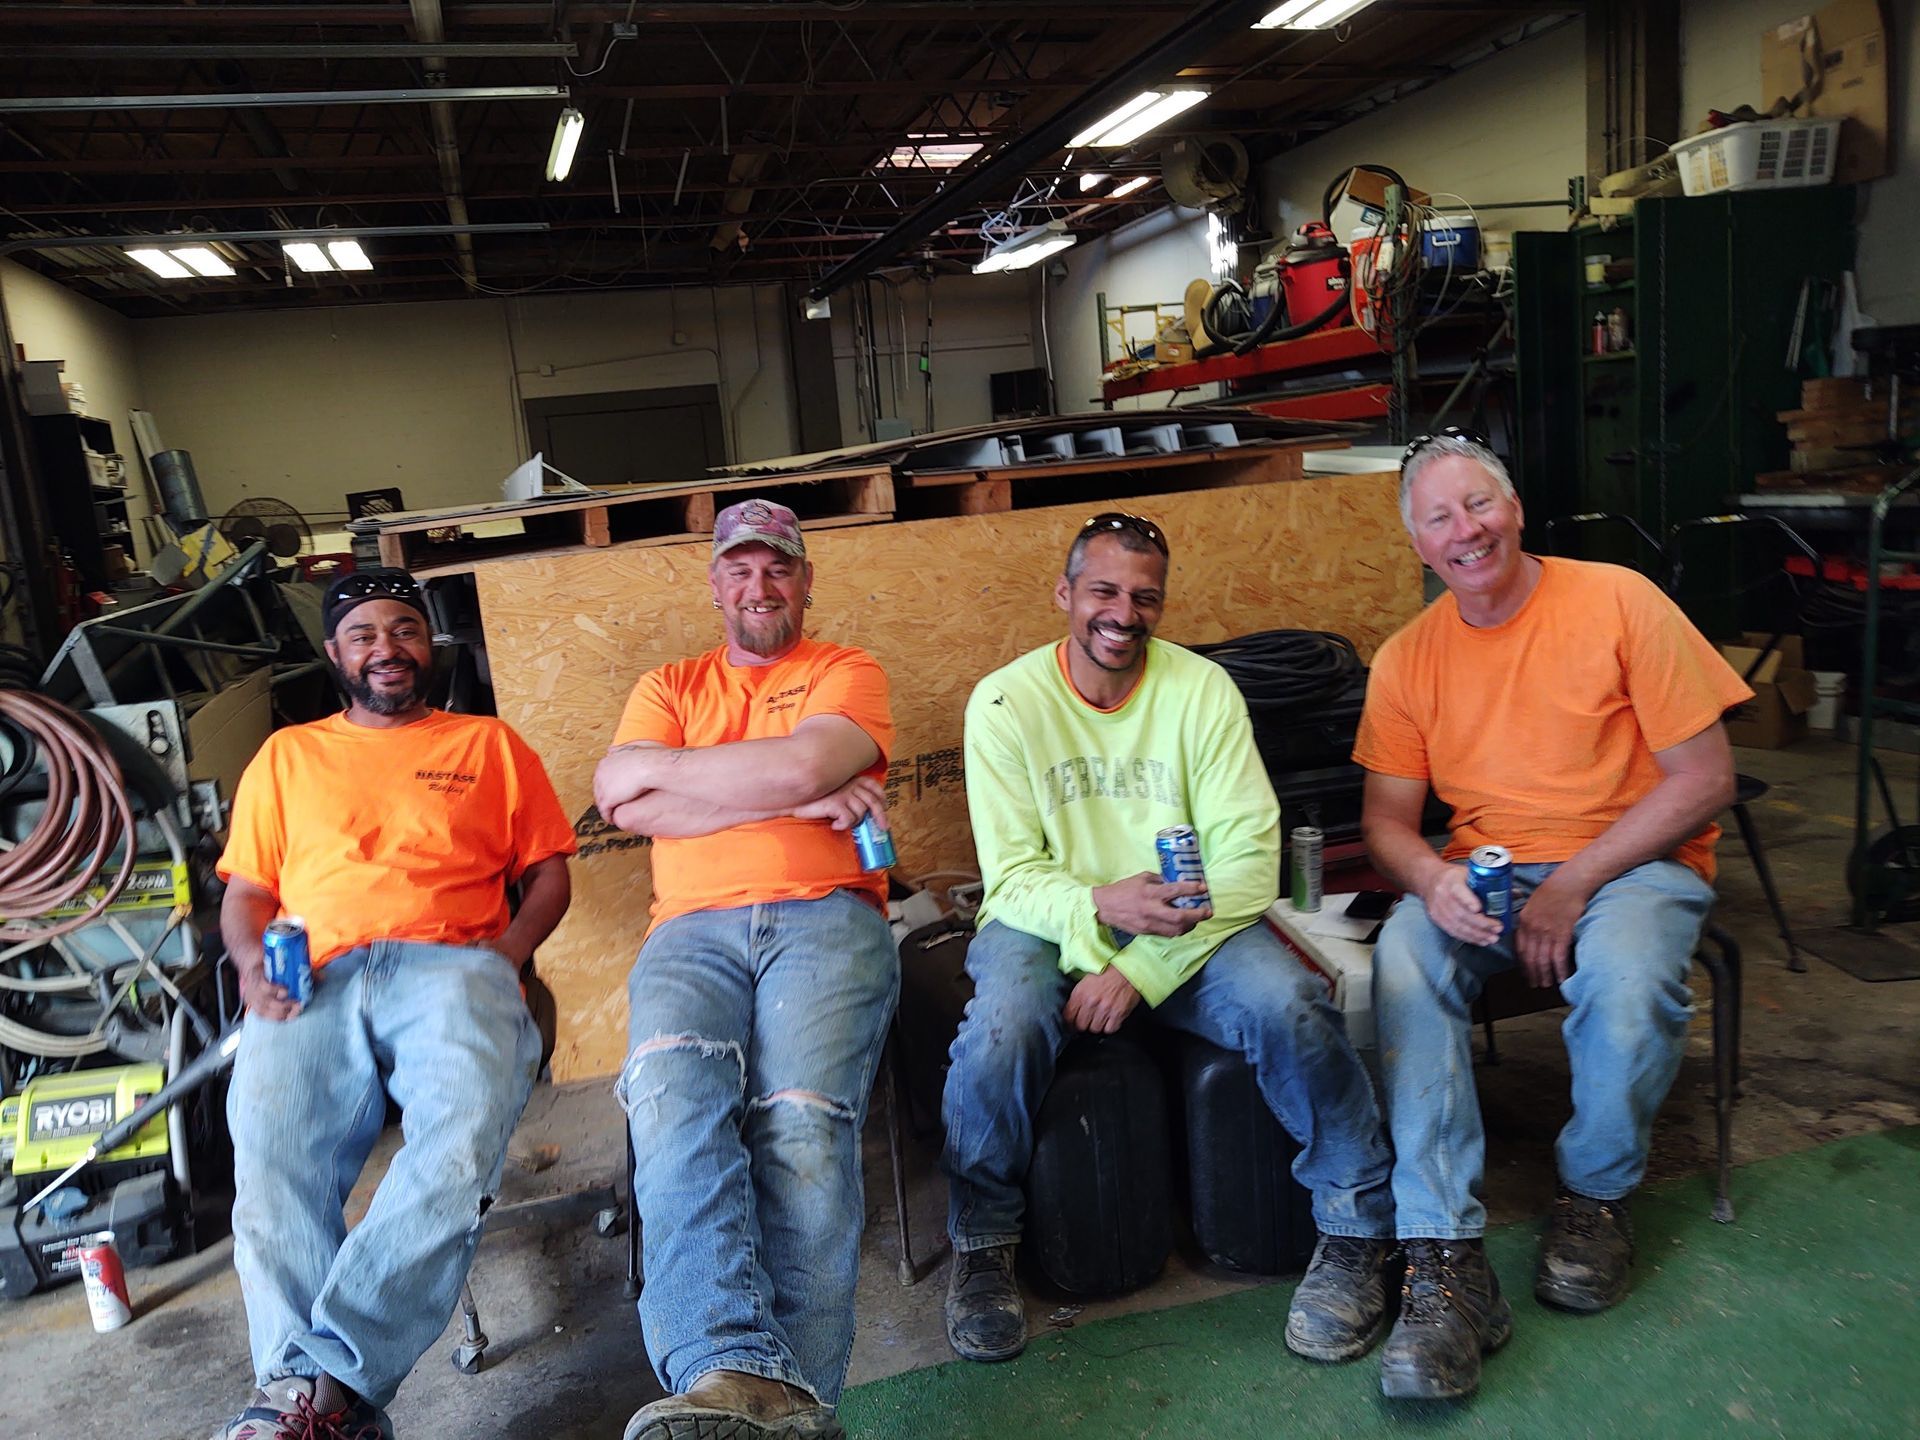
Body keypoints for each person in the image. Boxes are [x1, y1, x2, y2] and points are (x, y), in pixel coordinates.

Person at [940, 510, 1398, 1367]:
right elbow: (1009, 879)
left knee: (1290, 1000)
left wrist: (1141, 970)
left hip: (1188, 929)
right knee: (1000, 1030)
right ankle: (983, 1242)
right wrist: (1099, 910)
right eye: (1104, 591)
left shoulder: (1201, 691)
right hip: (1051, 919)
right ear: (1065, 594)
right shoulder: (1004, 703)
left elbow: (1252, 861)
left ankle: (1353, 1224)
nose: (1123, 613)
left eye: (1144, 597)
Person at [1354, 430, 1751, 1401]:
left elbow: (1707, 780)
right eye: (1440, 518)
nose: (1467, 530)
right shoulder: (1409, 659)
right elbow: (1387, 827)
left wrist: (1576, 882)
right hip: (1488, 874)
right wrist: (1427, 878)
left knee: (1624, 982)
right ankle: (1444, 1254)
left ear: (1517, 508)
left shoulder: (1618, 600)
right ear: (1419, 546)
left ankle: (1596, 1196)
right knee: (1404, 958)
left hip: (1633, 861)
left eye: (1480, 505)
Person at [213, 567, 576, 1440]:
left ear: (429, 645)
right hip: (313, 974)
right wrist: (249, 962)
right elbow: (248, 892)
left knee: (455, 1150)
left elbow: (551, 874)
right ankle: (329, 1410)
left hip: (451, 965)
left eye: (405, 630)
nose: (388, 648)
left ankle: (319, 1388)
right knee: (271, 1163)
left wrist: (510, 955)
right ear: (335, 652)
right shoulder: (287, 756)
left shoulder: (489, 746)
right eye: (366, 633)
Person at [594, 498, 897, 1440]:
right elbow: (615, 796)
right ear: (715, 582)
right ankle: (727, 1372)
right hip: (691, 931)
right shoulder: (670, 684)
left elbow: (803, 760)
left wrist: (683, 782)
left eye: (778, 568)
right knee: (675, 1101)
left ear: (806, 580)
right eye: (740, 569)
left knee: (798, 1130)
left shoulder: (847, 670)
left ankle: (797, 1407)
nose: (758, 586)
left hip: (828, 919)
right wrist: (798, 792)